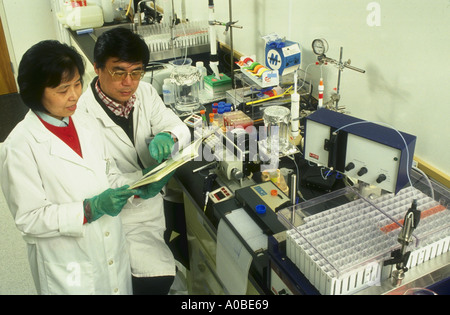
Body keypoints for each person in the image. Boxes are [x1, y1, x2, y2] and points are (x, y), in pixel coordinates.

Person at [0, 40, 147, 295]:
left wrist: (135, 184)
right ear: (36, 91)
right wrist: (88, 210)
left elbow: (105, 174)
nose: (75, 95)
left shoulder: (84, 120)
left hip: (109, 248)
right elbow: (29, 219)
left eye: (78, 83)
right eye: (62, 89)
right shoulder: (19, 146)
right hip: (68, 265)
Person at [77, 27, 191, 295]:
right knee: (149, 279)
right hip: (120, 215)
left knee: (173, 256)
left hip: (154, 202)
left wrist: (168, 135)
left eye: (136, 72)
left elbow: (177, 125)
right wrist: (142, 180)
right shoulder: (82, 115)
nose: (129, 82)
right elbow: (101, 178)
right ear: (97, 68)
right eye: (119, 72)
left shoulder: (146, 93)